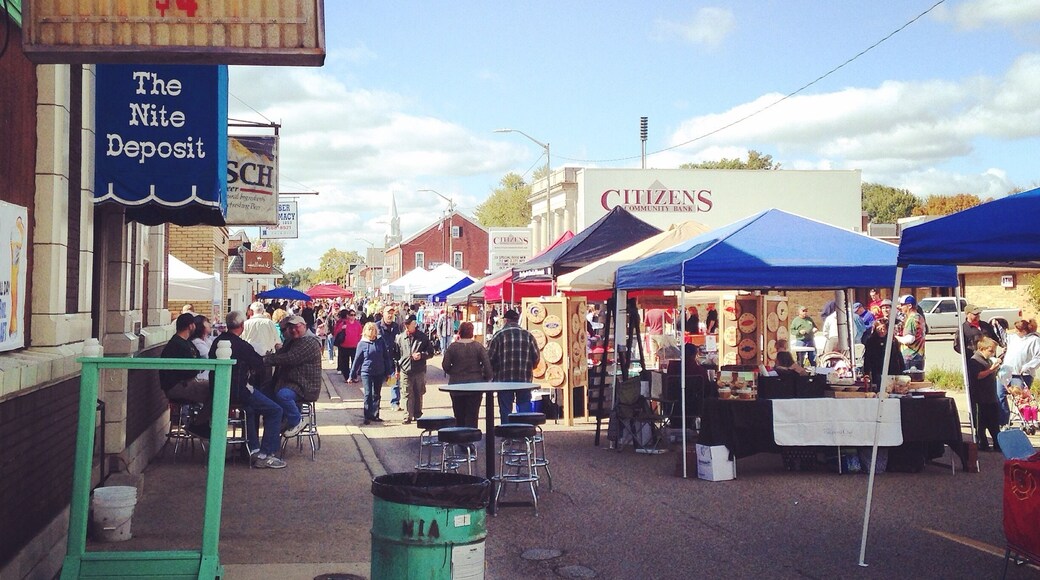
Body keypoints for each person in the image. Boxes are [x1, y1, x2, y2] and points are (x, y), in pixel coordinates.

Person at [208, 311, 286, 469]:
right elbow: (259, 365)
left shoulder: (217, 341)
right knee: (275, 410)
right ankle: (266, 454)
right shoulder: (242, 345)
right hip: (239, 391)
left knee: (250, 410)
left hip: (218, 391)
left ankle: (252, 449)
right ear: (242, 326)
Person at [263, 315, 322, 438]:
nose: (293, 330)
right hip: (292, 382)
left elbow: (289, 358)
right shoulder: (293, 340)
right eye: (290, 328)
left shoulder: (309, 342)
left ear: (304, 326)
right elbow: (281, 354)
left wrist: (265, 360)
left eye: (296, 327)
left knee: (282, 396)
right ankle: (271, 441)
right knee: (265, 396)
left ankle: (296, 421)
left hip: (305, 386)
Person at [160, 313, 212, 435]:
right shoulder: (177, 344)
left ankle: (201, 423)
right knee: (216, 391)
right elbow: (187, 370)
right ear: (190, 326)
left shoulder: (186, 342)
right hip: (178, 386)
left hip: (186, 382)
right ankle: (199, 424)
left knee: (216, 388)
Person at [488, 309, 541, 419]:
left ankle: (507, 433)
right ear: (517, 321)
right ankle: (524, 432)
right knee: (524, 407)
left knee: (505, 409)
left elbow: (490, 358)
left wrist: (492, 372)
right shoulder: (528, 336)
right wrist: (529, 368)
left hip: (503, 380)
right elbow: (536, 358)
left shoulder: (498, 336)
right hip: (524, 378)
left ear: (506, 320)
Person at [442, 321, 493, 428]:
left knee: (459, 415)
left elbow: (445, 365)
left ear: (460, 332)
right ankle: (471, 438)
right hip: (475, 385)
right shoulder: (478, 347)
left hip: (456, 385)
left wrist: (454, 372)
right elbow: (487, 366)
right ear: (472, 332)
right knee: (473, 415)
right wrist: (485, 377)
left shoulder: (452, 347)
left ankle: (461, 439)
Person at [349, 322, 395, 425]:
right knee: (368, 394)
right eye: (369, 329)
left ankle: (375, 414)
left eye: (373, 329)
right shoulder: (362, 344)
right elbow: (357, 360)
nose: (371, 331)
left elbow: (386, 357)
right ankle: (367, 415)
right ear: (365, 331)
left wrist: (389, 372)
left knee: (376, 394)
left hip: (379, 371)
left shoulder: (380, 341)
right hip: (366, 372)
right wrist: (352, 375)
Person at [397, 314, 436, 424]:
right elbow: (396, 355)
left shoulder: (422, 337)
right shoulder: (400, 338)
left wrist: (422, 355)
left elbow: (431, 352)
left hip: (419, 370)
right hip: (405, 369)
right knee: (406, 393)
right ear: (406, 325)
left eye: (413, 323)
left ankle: (417, 414)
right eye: (409, 324)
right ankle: (407, 416)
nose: (412, 326)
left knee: (418, 392)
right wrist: (397, 369)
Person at [967, 337, 1002, 452]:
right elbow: (978, 375)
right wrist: (991, 369)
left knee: (993, 422)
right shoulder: (975, 360)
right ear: (982, 348)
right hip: (980, 397)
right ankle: (982, 443)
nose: (992, 353)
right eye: (990, 350)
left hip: (990, 395)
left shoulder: (986, 359)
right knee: (981, 423)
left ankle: (997, 443)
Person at [861, 319, 905, 389]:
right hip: (876, 370)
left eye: (884, 329)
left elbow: (898, 356)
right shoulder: (871, 341)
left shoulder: (893, 340)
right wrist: (866, 372)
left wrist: (902, 370)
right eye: (879, 329)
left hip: (891, 370)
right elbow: (867, 357)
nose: (882, 331)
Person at [377, 305, 404, 412]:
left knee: (394, 382)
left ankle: (394, 402)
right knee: (378, 384)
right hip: (380, 360)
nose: (390, 315)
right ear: (383, 314)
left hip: (392, 360)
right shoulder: (377, 326)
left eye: (392, 313)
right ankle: (376, 403)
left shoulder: (396, 326)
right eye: (388, 313)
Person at [895, 295, 926, 371]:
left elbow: (909, 339)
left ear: (909, 306)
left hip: (910, 357)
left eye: (902, 305)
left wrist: (895, 337)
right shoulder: (919, 317)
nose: (900, 307)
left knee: (908, 381)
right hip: (920, 355)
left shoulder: (911, 319)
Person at [1005, 319, 1040, 388]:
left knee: (1019, 396)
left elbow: (1038, 357)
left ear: (1024, 332)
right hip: (1006, 372)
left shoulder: (1034, 340)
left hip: (1021, 375)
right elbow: (1002, 338)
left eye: (1017, 331)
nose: (1015, 332)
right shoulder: (1013, 337)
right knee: (1000, 395)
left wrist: (1028, 366)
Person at [334, 309, 363, 381]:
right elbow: (336, 332)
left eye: (354, 315)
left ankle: (354, 376)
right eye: (351, 315)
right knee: (345, 363)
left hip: (354, 346)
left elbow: (360, 334)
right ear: (348, 316)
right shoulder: (344, 323)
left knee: (355, 362)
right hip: (344, 346)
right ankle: (347, 377)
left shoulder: (357, 324)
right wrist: (341, 328)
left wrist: (359, 342)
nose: (352, 316)